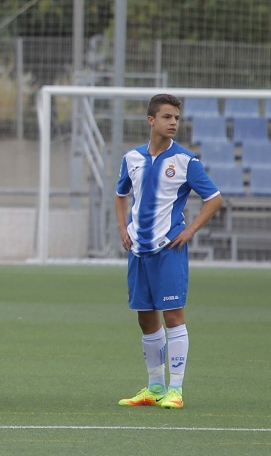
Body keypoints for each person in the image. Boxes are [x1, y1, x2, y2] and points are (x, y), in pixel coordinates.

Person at [116, 94, 223, 410]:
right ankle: (155, 386)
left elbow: (214, 198)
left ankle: (175, 390)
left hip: (168, 250)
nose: (173, 122)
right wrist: (123, 229)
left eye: (176, 117)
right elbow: (120, 193)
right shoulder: (132, 158)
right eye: (166, 117)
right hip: (138, 251)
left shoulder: (186, 161)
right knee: (146, 319)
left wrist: (189, 231)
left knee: (174, 316)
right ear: (151, 120)